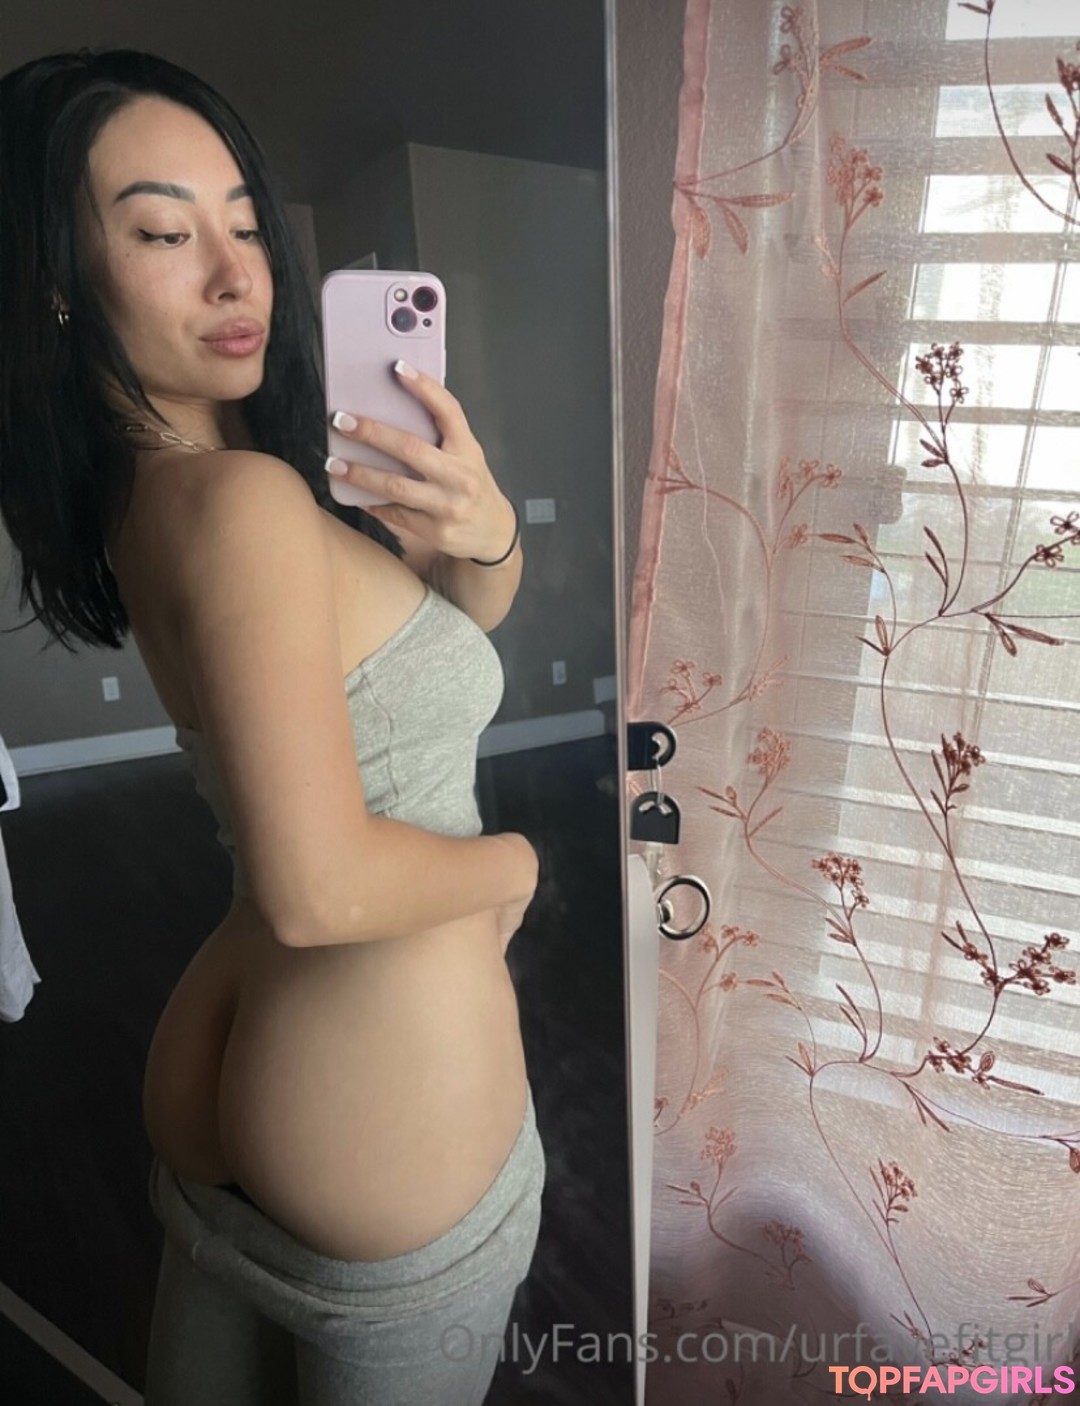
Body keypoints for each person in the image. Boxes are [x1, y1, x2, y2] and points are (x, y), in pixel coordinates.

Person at [0, 48, 545, 1405]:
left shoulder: (173, 493)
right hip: (374, 1104)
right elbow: (321, 889)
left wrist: (480, 532)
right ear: (58, 279)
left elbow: (437, 636)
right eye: (163, 233)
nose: (237, 274)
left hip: (249, 1077)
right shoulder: (242, 503)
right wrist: (516, 865)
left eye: (245, 226)